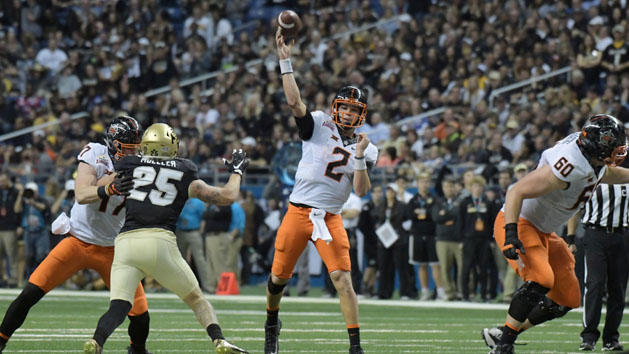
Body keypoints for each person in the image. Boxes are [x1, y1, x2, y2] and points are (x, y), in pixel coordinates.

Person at [83, 123, 249, 354]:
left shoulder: (127, 165)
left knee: (119, 305)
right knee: (197, 299)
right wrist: (237, 171)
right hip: (160, 242)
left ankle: (96, 341)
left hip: (126, 243)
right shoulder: (185, 170)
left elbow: (96, 189)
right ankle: (219, 340)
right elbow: (227, 196)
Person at [264, 29, 377, 354]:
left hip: (330, 218)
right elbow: (294, 102)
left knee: (343, 280)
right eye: (345, 108)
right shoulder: (318, 124)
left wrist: (358, 158)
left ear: (361, 114)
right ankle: (272, 322)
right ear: (336, 107)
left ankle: (355, 347)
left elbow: (361, 189)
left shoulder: (368, 147)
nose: (348, 114)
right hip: (298, 211)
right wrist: (286, 63)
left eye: (355, 110)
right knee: (278, 280)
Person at [0, 116, 152, 354]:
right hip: (78, 241)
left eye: (137, 145)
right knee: (30, 292)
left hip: (113, 250)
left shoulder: (145, 167)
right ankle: (0, 340)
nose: (135, 150)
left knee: (140, 313)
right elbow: (81, 193)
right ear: (113, 143)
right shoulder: (96, 153)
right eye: (129, 146)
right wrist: (108, 187)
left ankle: (137, 350)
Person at [482, 114, 629, 354]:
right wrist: (510, 233)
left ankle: (505, 332)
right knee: (542, 278)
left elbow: (607, 175)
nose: (617, 152)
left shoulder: (591, 159)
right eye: (612, 147)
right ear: (595, 146)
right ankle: (503, 346)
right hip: (521, 221)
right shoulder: (570, 165)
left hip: (544, 230)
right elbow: (516, 191)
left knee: (568, 298)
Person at [576, 182, 629, 351]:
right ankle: (589, 336)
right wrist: (570, 237)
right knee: (595, 284)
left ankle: (611, 338)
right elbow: (576, 206)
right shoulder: (592, 178)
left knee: (618, 288)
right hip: (595, 234)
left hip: (621, 236)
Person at [406, 172, 445, 301]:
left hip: (432, 235)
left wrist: (422, 213)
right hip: (417, 235)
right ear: (417, 184)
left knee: (435, 264)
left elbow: (434, 215)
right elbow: (410, 215)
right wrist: (424, 213)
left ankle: (440, 291)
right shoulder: (413, 200)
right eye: (422, 181)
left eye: (427, 181)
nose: (424, 184)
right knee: (421, 265)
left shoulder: (434, 199)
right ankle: (425, 291)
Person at [457, 175, 496, 302]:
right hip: (469, 239)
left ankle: (484, 295)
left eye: (480, 186)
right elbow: (460, 222)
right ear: (470, 187)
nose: (477, 188)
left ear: (483, 188)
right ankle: (465, 294)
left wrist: (491, 240)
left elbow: (491, 222)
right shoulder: (465, 202)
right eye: (474, 186)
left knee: (484, 268)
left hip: (484, 240)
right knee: (466, 268)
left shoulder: (487, 203)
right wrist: (461, 240)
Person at [176, 197, 213, 294]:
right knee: (180, 260)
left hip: (194, 231)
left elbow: (203, 217)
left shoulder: (198, 202)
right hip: (180, 231)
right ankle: (182, 286)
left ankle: (207, 285)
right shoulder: (179, 200)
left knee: (200, 259)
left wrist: (201, 231)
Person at [0, 171, 22, 288]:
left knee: (12, 255)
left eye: (4, 181)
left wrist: (19, 225)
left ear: (8, 180)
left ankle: (13, 280)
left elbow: (18, 210)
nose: (2, 183)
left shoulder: (14, 192)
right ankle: (1, 279)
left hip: (10, 227)